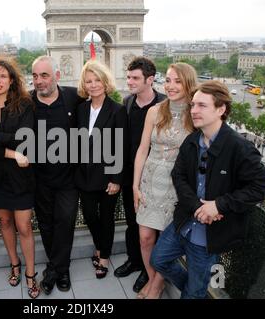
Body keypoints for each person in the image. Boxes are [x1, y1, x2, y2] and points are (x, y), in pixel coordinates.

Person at [151, 80, 265, 299]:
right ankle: (192, 289)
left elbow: (264, 185)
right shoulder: (191, 141)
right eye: (193, 105)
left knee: (194, 293)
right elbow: (178, 176)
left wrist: (218, 205)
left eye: (202, 106)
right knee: (158, 260)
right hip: (184, 224)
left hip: (210, 237)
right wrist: (198, 207)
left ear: (221, 109)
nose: (194, 110)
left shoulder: (240, 147)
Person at [133, 63, 197, 299]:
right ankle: (152, 280)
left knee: (165, 242)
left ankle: (156, 286)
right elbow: (142, 150)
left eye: (178, 81)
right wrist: (134, 186)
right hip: (149, 181)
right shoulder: (154, 111)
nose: (170, 86)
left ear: (189, 83)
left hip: (177, 186)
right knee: (145, 238)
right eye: (168, 80)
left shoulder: (196, 113)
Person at [0, 57, 40, 299]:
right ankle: (15, 264)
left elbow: (25, 136)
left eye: (3, 76)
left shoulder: (24, 104)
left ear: (11, 79)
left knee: (23, 226)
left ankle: (31, 274)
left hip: (21, 178)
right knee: (5, 223)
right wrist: (13, 153)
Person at [31, 56, 84, 295]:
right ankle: (59, 269)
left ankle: (56, 271)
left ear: (57, 76)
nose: (39, 81)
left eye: (44, 75)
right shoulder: (26, 102)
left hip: (68, 179)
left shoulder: (74, 97)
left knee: (65, 223)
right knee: (46, 225)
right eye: (35, 76)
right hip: (39, 179)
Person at [114, 56, 166, 293]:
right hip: (130, 177)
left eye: (135, 78)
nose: (129, 81)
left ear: (150, 80)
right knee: (132, 222)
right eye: (128, 77)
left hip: (158, 179)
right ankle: (134, 261)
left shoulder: (165, 106)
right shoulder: (126, 103)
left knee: (152, 229)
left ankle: (149, 272)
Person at [75, 60, 127, 279]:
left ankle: (103, 256)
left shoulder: (117, 110)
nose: (93, 85)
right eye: (89, 81)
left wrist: (116, 179)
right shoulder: (80, 109)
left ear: (105, 83)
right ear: (84, 85)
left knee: (106, 218)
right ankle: (100, 246)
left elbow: (121, 146)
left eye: (97, 80)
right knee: (89, 215)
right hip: (85, 176)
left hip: (108, 176)